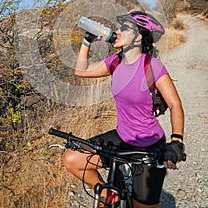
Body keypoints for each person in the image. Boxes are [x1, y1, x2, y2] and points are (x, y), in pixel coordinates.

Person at [63, 11, 186, 208]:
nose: (117, 31)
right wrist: (87, 41)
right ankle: (108, 192)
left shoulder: (152, 66)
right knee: (72, 158)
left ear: (138, 36)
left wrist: (176, 141)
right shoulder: (115, 62)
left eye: (125, 28)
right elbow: (81, 71)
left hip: (148, 145)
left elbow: (175, 105)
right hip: (122, 136)